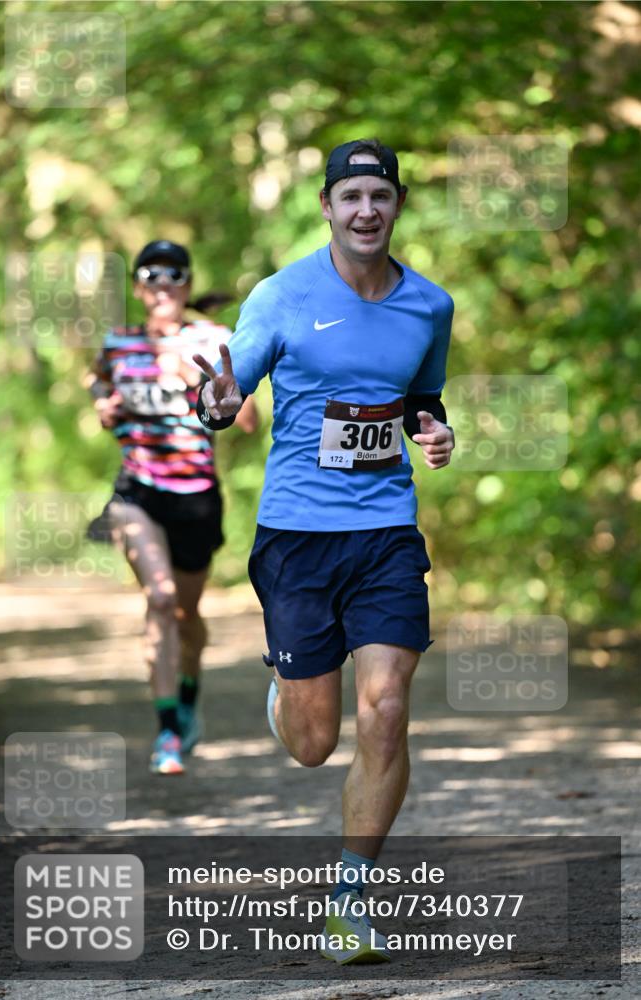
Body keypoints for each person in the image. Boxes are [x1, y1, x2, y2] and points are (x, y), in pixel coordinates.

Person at [194, 139, 454, 963]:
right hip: (298, 536)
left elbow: (421, 399)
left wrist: (436, 431)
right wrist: (217, 403)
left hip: (382, 532)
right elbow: (228, 390)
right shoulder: (282, 295)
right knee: (314, 743)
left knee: (384, 708)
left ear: (398, 204)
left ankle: (351, 896)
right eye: (351, 197)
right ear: (328, 208)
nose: (366, 210)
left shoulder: (429, 305)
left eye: (380, 195)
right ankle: (285, 696)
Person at [87, 240, 257, 776]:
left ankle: (189, 693)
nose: (164, 287)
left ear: (187, 285)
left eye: (175, 277)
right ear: (139, 288)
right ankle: (166, 732)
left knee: (186, 616)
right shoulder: (119, 344)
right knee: (160, 601)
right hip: (137, 493)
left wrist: (204, 387)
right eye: (152, 278)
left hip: (197, 498)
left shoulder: (213, 339)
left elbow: (249, 421)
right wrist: (102, 404)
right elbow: (98, 382)